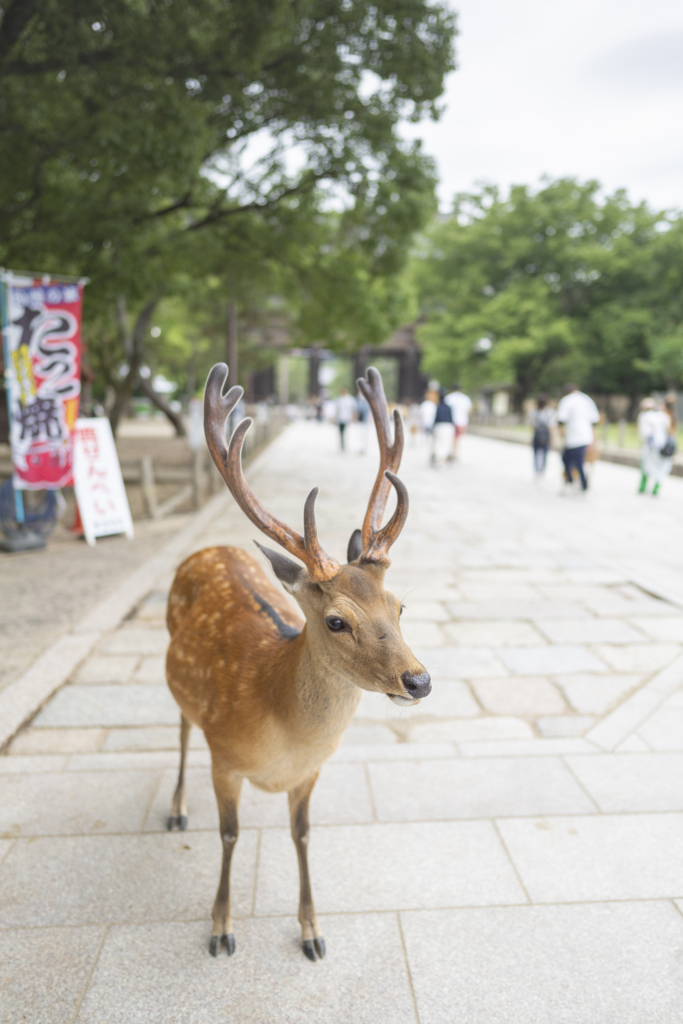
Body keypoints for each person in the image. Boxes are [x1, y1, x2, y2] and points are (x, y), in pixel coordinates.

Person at [556, 383, 600, 493]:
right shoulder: (587, 399)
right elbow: (595, 421)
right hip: (586, 437)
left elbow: (561, 420)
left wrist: (562, 435)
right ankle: (579, 483)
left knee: (569, 460)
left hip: (572, 438)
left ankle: (578, 483)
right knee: (576, 461)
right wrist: (594, 439)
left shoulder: (567, 400)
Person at [637, 397, 675, 496]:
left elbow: (644, 433)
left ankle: (644, 487)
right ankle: (654, 488)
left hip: (652, 448)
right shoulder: (666, 417)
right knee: (659, 468)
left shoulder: (646, 416)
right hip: (661, 447)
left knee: (646, 467)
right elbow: (670, 432)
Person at [444, 383, 472, 458]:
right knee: (456, 439)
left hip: (450, 421)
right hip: (461, 421)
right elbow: (468, 411)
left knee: (450, 438)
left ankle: (451, 452)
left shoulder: (448, 397)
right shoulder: (465, 398)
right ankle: (454, 453)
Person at [530, 394, 555, 475]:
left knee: (535, 455)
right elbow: (551, 427)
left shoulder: (534, 412)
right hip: (546, 436)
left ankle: (537, 470)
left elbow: (533, 426)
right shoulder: (550, 412)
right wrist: (552, 439)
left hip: (537, 436)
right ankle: (542, 471)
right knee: (544, 455)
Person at [431, 388, 455, 466]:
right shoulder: (448, 407)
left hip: (439, 426)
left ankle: (439, 458)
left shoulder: (438, 407)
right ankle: (443, 459)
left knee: (438, 442)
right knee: (446, 442)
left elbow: (436, 418)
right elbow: (452, 418)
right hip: (448, 426)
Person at [335, 387, 357, 451]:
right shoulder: (339, 399)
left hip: (347, 418)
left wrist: (353, 418)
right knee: (341, 433)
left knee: (347, 432)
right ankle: (342, 445)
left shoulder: (350, 399)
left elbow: (354, 410)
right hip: (341, 418)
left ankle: (346, 445)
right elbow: (337, 410)